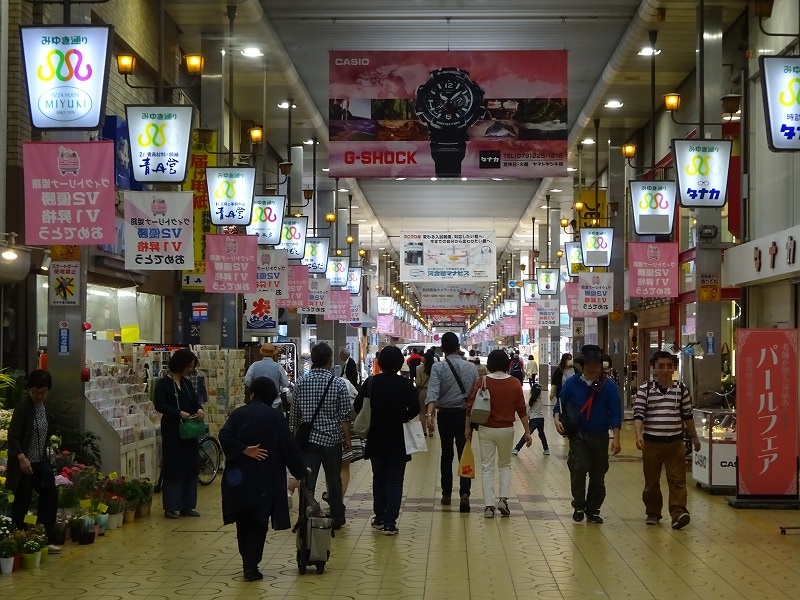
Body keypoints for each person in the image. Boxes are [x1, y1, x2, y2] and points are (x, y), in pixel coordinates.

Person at [219, 377, 309, 581]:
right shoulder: (275, 417)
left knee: (243, 521)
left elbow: (224, 436)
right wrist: (301, 470)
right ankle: (251, 565)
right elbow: (288, 447)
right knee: (259, 521)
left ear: (252, 393)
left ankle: (247, 562)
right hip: (265, 479)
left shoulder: (239, 414)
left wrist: (243, 450)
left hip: (238, 479)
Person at [355, 346, 420, 535]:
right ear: (400, 363)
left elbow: (358, 406)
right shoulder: (406, 384)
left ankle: (379, 517)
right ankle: (390, 522)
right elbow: (415, 408)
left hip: (376, 437)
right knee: (396, 481)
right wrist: (402, 417)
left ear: (380, 362)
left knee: (379, 478)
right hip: (399, 438)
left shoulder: (371, 383)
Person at [553, 344, 621, 524]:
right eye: (589, 363)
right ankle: (579, 505)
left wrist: (617, 438)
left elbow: (615, 413)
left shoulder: (609, 386)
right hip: (579, 436)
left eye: (597, 364)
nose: (593, 367)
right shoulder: (572, 384)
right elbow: (559, 403)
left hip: (600, 436)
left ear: (601, 366)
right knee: (578, 469)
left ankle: (593, 509)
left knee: (598, 474)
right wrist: (556, 419)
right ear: (583, 365)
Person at [634, 351, 700, 529]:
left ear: (674, 368)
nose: (665, 370)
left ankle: (678, 513)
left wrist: (695, 437)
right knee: (652, 482)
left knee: (678, 480)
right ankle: (653, 512)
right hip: (651, 443)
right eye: (661, 366)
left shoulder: (681, 389)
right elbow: (639, 414)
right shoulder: (645, 389)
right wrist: (638, 435)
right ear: (654, 368)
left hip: (675, 442)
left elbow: (687, 415)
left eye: (669, 366)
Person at [289, 342, 351, 530]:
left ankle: (306, 517)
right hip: (331, 440)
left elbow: (294, 415)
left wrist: (294, 437)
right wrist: (347, 438)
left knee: (308, 481)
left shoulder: (301, 383)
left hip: (308, 441)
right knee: (334, 480)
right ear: (330, 361)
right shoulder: (338, 383)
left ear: (313, 361)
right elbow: (345, 415)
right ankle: (337, 517)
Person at [465, 350, 531, 518]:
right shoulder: (515, 383)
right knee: (505, 465)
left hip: (486, 429)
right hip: (507, 430)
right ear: (507, 364)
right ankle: (503, 499)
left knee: (487, 467)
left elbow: (470, 406)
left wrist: (468, 428)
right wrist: (527, 431)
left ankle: (488, 507)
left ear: (491, 365)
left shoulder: (483, 381)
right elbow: (521, 409)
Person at [6, 369, 60, 552]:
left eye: (43, 392)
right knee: (22, 501)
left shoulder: (44, 407)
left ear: (48, 391)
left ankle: (44, 536)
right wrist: (22, 458)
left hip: (40, 462)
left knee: (50, 495)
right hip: (23, 464)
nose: (38, 396)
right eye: (34, 392)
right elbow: (12, 437)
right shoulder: (23, 408)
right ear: (29, 390)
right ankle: (18, 542)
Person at [425, 332, 479, 512]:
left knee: (446, 454)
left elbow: (432, 392)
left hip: (445, 415)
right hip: (465, 416)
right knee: (464, 453)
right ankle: (464, 493)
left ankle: (446, 493)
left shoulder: (438, 368)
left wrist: (429, 415)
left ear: (443, 349)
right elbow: (476, 394)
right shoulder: (471, 368)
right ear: (458, 347)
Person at [153, 349, 204, 519]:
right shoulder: (164, 384)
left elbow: (195, 402)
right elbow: (159, 405)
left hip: (190, 431)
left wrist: (199, 410)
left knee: (190, 465)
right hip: (172, 431)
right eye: (189, 366)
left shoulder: (188, 384)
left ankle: (188, 505)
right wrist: (177, 413)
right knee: (174, 466)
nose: (191, 369)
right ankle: (172, 506)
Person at [244, 343, 290, 409]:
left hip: (257, 401)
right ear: (273, 354)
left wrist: (255, 387)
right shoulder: (278, 367)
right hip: (274, 402)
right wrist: (277, 384)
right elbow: (285, 383)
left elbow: (247, 380)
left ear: (261, 353)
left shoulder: (254, 365)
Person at [513, 378, 549, 456]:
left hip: (534, 420)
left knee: (527, 434)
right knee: (541, 434)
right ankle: (546, 449)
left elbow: (527, 411)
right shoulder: (540, 400)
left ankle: (516, 449)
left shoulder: (531, 400)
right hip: (541, 419)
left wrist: (528, 417)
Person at [414, 348, 436, 436]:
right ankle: (431, 431)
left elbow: (418, 382)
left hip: (422, 392)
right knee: (432, 413)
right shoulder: (435, 368)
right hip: (432, 392)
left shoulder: (418, 368)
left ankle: (424, 431)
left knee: (422, 412)